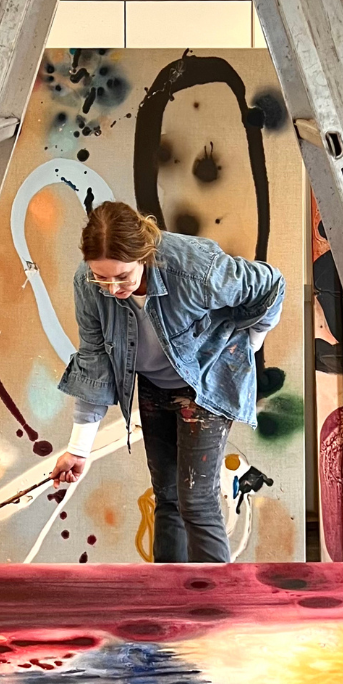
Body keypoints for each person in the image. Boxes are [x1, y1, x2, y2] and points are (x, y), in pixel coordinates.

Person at [50, 201, 284, 563]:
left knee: (197, 499)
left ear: (143, 254)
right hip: (154, 385)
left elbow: (270, 286)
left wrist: (248, 346)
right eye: (102, 277)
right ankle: (167, 603)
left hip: (205, 385)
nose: (112, 288)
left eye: (122, 277)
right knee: (168, 497)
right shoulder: (88, 283)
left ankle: (213, 604)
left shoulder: (195, 269)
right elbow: (94, 359)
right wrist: (78, 449)